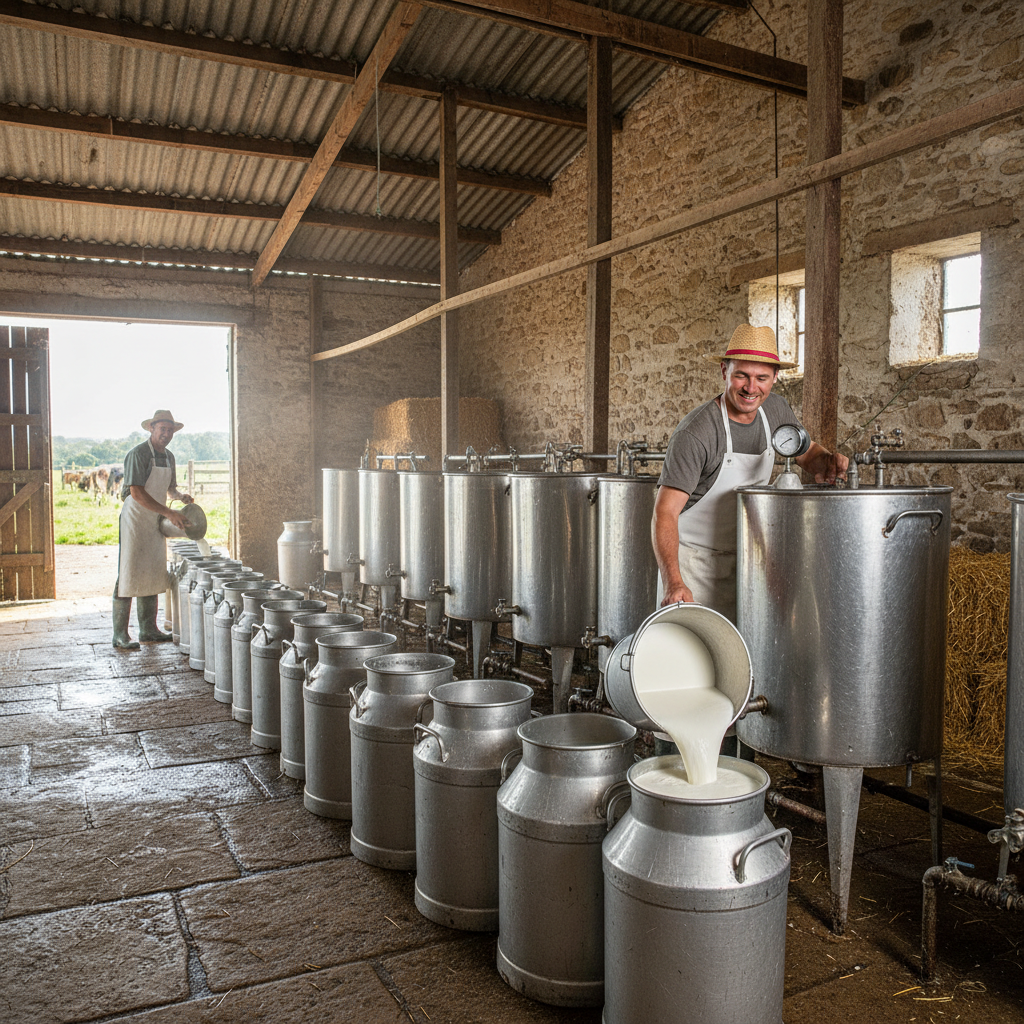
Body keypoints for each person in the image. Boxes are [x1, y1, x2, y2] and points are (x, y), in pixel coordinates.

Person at [652, 324, 848, 623]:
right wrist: (674, 582)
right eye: (741, 375)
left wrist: (828, 462)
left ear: (775, 378)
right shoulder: (698, 433)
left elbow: (807, 453)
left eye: (762, 378)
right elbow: (664, 512)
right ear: (724, 372)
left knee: (745, 659)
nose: (751, 388)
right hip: (695, 568)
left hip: (749, 563)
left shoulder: (776, 410)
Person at [113, 410, 193, 649]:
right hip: (135, 518)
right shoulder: (138, 454)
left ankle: (148, 629)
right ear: (151, 428)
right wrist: (169, 513)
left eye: (170, 431)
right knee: (129, 571)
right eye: (162, 429)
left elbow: (169, 489)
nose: (166, 435)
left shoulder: (169, 457)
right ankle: (120, 634)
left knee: (151, 570)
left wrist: (180, 497)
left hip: (155, 518)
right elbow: (136, 492)